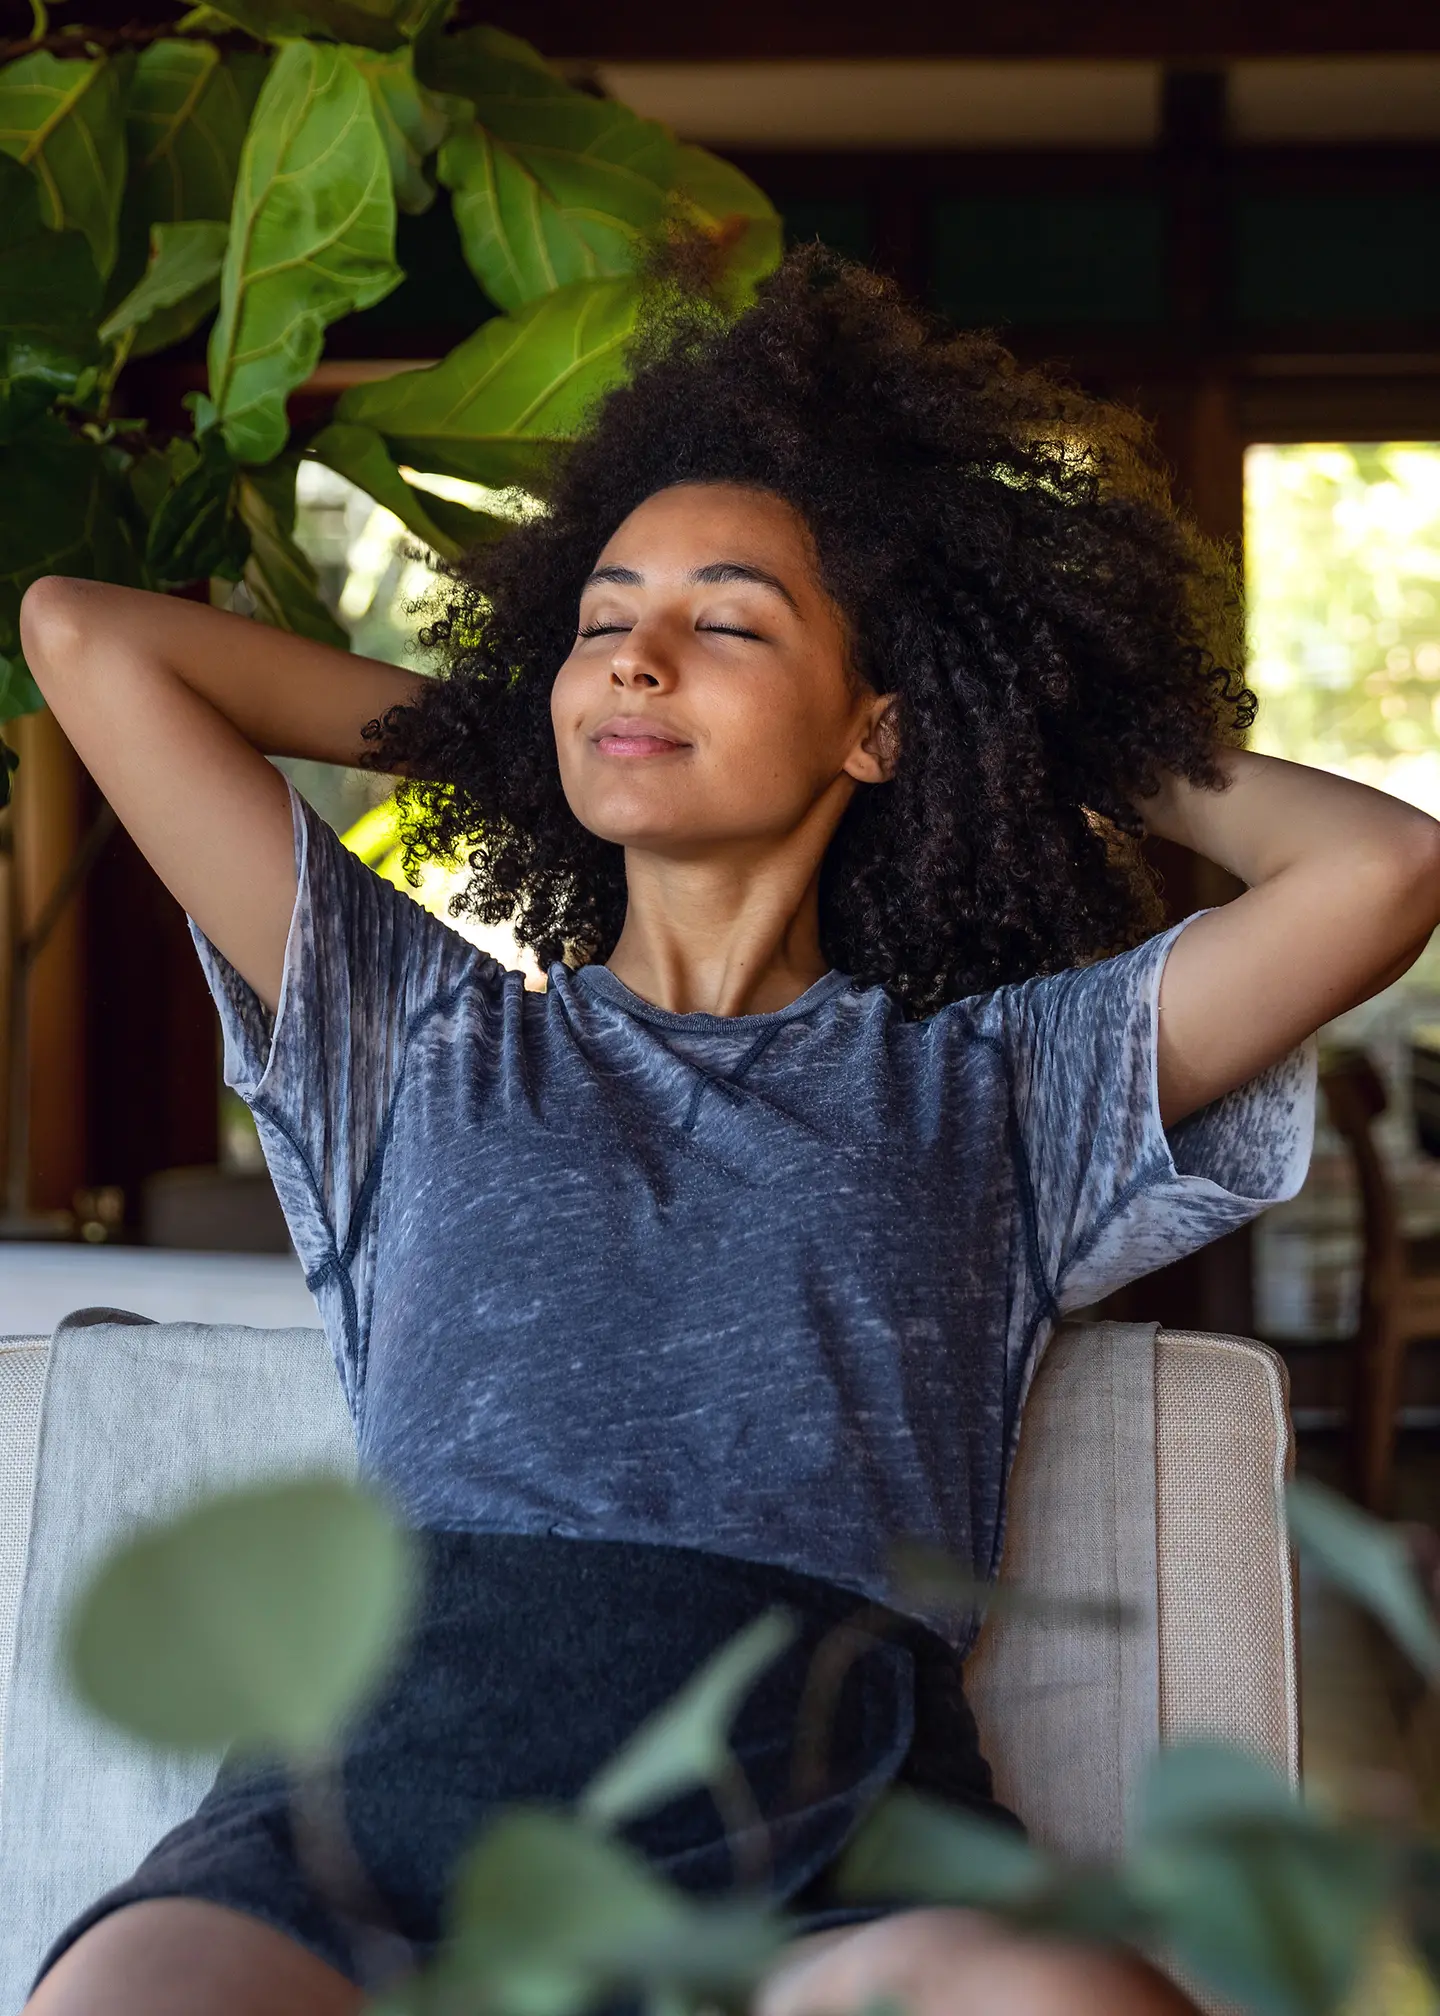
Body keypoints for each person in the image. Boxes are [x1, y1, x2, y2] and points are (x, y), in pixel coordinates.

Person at [18, 248, 1440, 2016]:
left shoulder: (1002, 1088)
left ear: (874, 728)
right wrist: (516, 735)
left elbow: (1382, 870)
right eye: (602, 622)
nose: (639, 660)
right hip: (363, 1824)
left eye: (730, 624)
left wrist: (1018, 721)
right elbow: (86, 635)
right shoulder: (415, 1035)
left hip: (820, 1846)